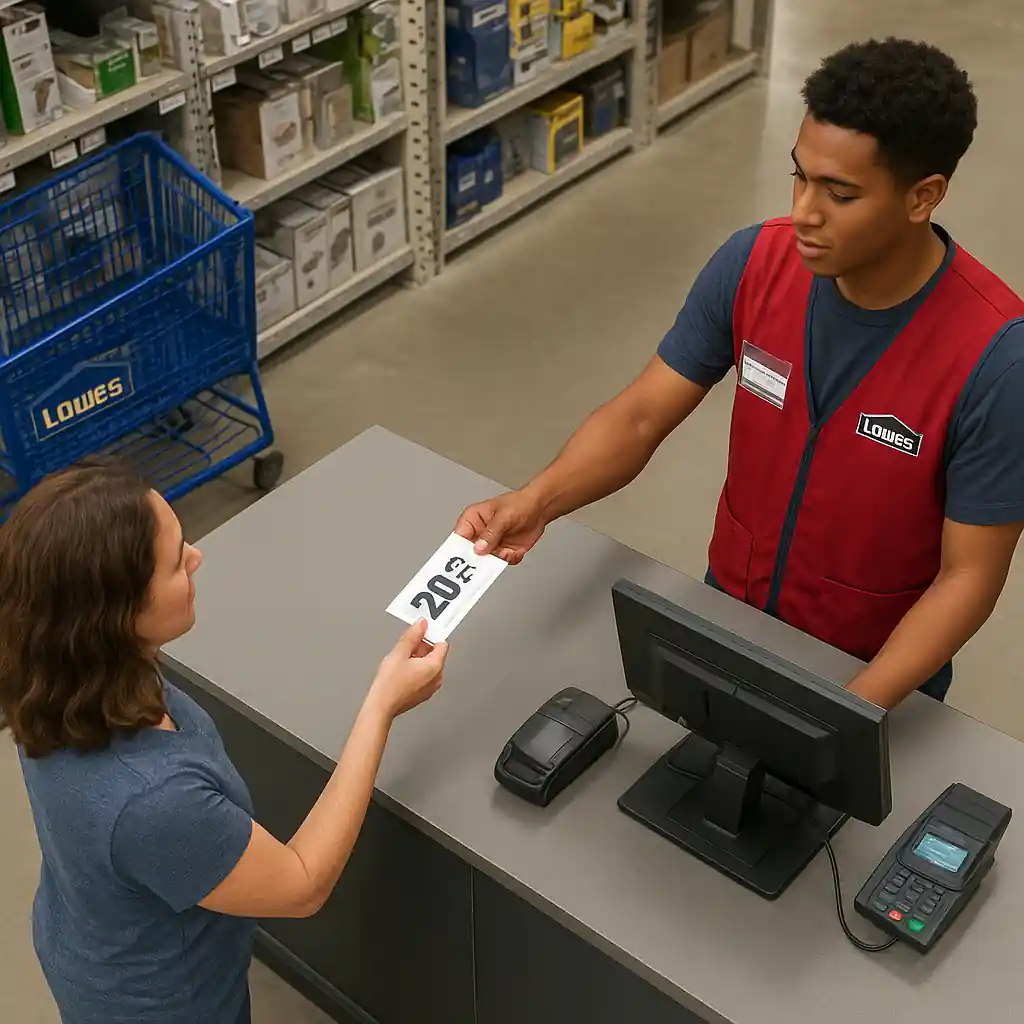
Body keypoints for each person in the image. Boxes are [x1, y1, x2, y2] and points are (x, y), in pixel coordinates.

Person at [455, 37, 1024, 711]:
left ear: (922, 196)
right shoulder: (755, 264)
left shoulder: (996, 358)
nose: (805, 213)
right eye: (800, 176)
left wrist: (849, 711)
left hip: (874, 671)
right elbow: (640, 415)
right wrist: (537, 500)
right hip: (727, 621)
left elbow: (968, 578)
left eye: (840, 194)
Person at [0, 459, 448, 1024]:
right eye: (174, 563)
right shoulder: (155, 801)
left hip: (87, 940)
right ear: (115, 618)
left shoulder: (53, 681)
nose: (196, 557)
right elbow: (301, 885)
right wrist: (381, 705)